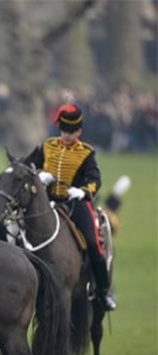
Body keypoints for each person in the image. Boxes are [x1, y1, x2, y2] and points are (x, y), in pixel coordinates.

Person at [32, 103, 117, 311]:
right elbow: (30, 167)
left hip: (74, 204)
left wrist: (83, 191)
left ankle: (103, 292)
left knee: (93, 243)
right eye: (64, 130)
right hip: (48, 201)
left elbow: (95, 180)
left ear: (79, 131)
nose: (67, 134)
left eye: (71, 131)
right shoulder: (47, 146)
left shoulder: (86, 152)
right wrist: (39, 176)